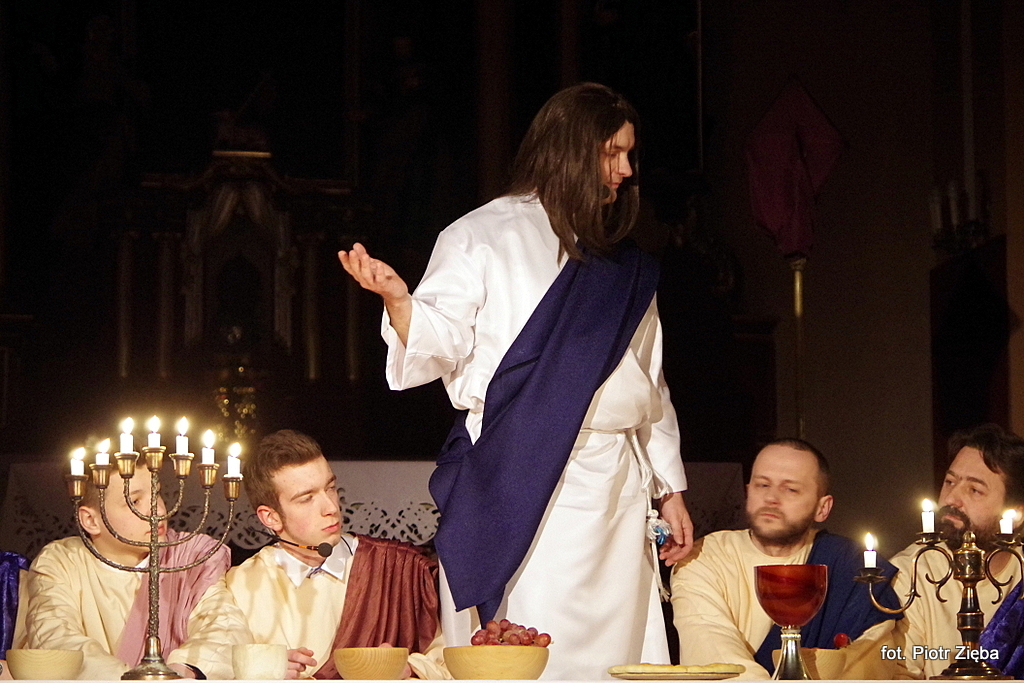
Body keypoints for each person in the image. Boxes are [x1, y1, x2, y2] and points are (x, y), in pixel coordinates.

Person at [339, 81, 693, 680]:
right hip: (516, 472)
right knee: (526, 640)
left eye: (630, 154)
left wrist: (670, 487)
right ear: (570, 149)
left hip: (613, 487)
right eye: (613, 152)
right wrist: (400, 302)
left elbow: (650, 384)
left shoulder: (622, 264)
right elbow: (440, 341)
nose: (626, 170)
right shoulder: (482, 235)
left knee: (617, 651)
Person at [670, 439, 902, 680]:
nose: (771, 497)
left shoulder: (852, 567)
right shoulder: (705, 556)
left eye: (790, 489)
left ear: (822, 508)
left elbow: (868, 661)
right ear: (747, 491)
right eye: (762, 485)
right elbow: (711, 651)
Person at [225, 429, 446, 680]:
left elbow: (449, 658)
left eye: (330, 488)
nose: (331, 507)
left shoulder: (403, 570)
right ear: (271, 517)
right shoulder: (241, 586)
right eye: (306, 499)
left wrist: (408, 667)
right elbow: (211, 662)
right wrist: (260, 668)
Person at [24, 466, 251, 679]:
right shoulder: (63, 561)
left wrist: (177, 673)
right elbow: (54, 637)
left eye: (157, 493)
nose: (158, 510)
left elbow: (224, 627)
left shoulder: (191, 558)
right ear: (91, 520)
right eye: (134, 501)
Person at [893, 424, 1024, 679]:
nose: (951, 498)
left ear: (1016, 514)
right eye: (949, 482)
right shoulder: (910, 572)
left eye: (975, 490)